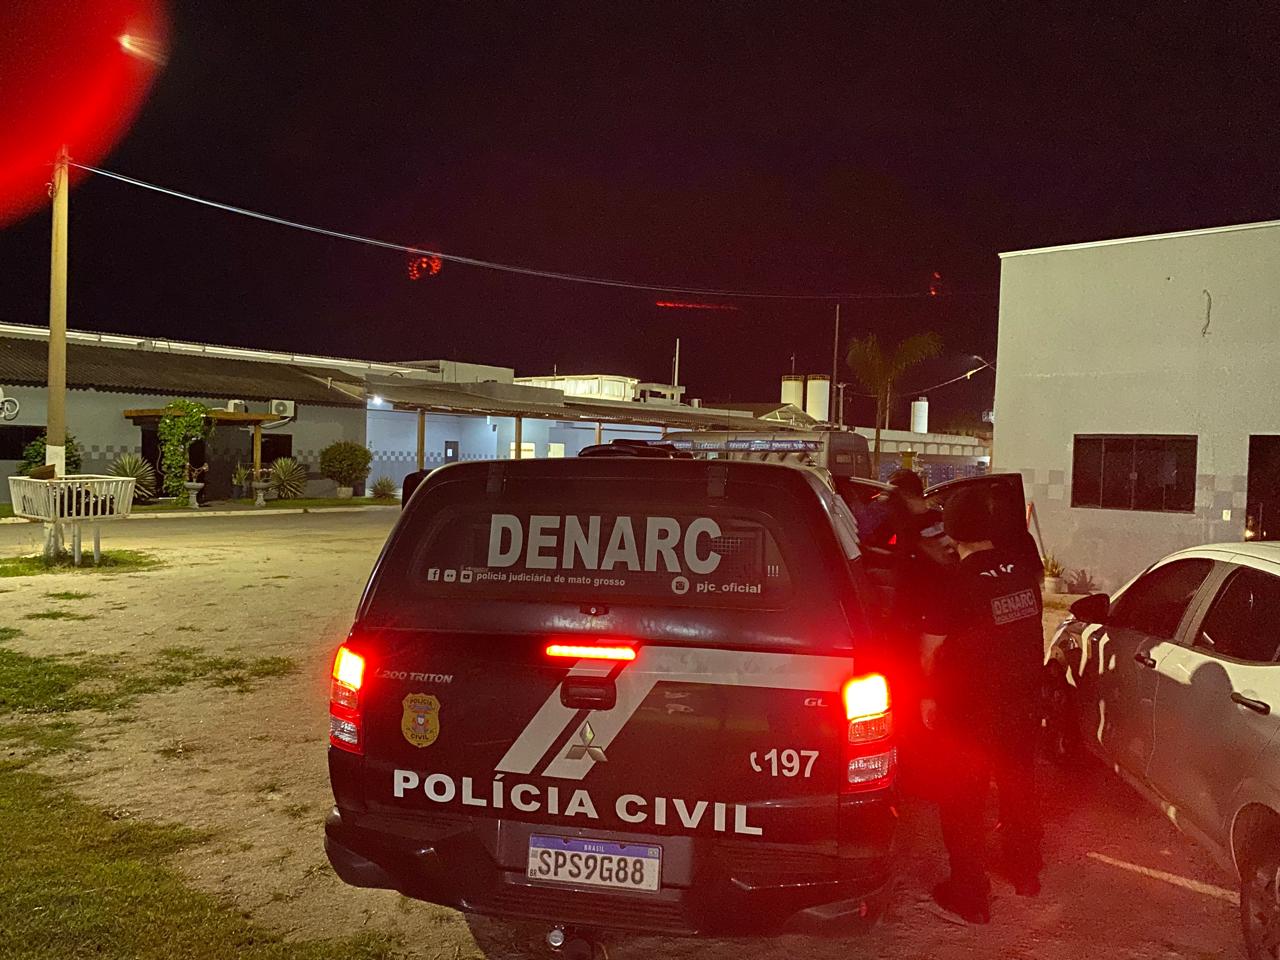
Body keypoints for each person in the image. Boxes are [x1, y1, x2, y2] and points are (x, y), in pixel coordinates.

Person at [921, 485, 1044, 924]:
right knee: (1018, 788)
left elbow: (930, 650)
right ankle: (1025, 872)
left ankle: (970, 896)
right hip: (1023, 702)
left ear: (952, 531)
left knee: (963, 799)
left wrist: (927, 697)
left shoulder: (952, 582)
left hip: (969, 709)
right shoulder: (1022, 574)